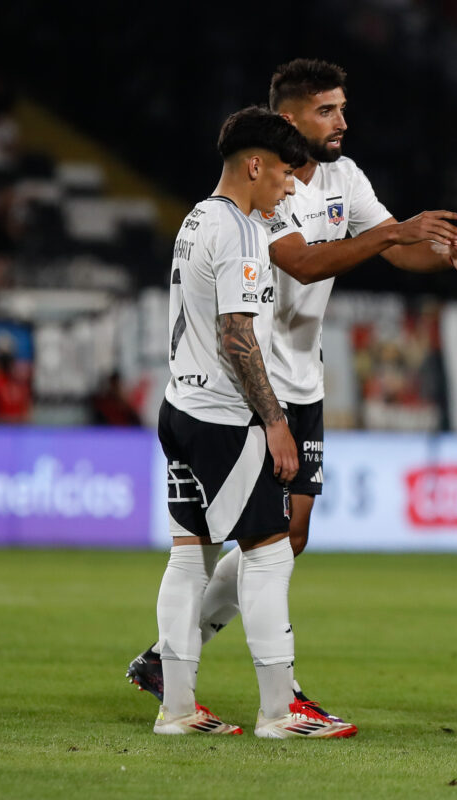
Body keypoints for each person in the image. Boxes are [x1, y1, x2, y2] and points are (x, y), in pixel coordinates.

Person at [127, 58, 457, 725]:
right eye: (326, 110)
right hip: (251, 393)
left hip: (282, 386)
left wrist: (441, 252)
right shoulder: (259, 206)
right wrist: (393, 232)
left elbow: (396, 247)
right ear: (284, 124)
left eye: (343, 108)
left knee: (273, 536)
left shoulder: (335, 181)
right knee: (265, 546)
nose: (342, 121)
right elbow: (305, 264)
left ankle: (171, 670)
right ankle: (272, 701)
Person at [151, 106, 354, 737]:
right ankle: (278, 711)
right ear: (255, 166)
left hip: (179, 408)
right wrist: (275, 421)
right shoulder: (240, 231)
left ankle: (177, 708)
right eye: (286, 174)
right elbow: (237, 335)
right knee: (269, 555)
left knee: (189, 558)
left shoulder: (196, 218)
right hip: (224, 420)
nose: (291, 188)